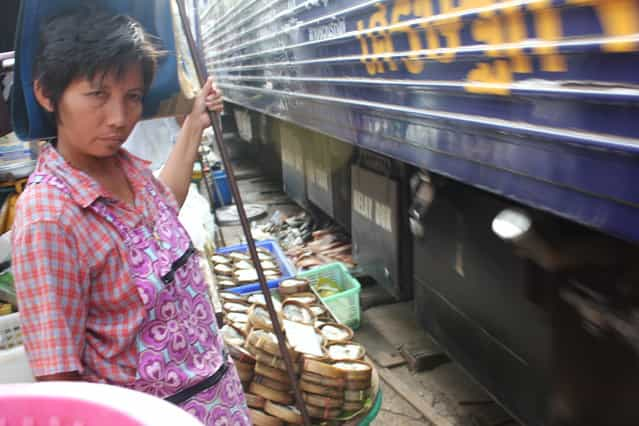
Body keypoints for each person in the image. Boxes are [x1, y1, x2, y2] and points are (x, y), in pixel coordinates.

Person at [11, 8, 250, 426]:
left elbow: (161, 216)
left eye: (132, 96)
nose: (119, 118)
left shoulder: (126, 168)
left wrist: (194, 126)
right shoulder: (49, 218)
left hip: (219, 404)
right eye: (98, 95)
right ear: (48, 94)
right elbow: (59, 380)